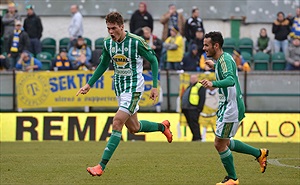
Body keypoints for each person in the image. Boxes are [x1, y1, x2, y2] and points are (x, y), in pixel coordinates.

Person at [76, 12, 173, 177]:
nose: (111, 32)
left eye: (114, 28)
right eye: (108, 28)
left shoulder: (136, 42)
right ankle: (162, 127)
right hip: (119, 88)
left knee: (117, 121)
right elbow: (103, 64)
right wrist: (89, 84)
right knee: (134, 128)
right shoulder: (108, 43)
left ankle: (101, 166)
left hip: (134, 87)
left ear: (122, 26)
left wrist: (155, 85)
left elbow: (154, 59)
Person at [200, 31, 268, 185]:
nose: (204, 48)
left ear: (216, 46)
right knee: (226, 142)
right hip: (227, 106)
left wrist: (213, 83)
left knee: (219, 144)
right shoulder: (223, 59)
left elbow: (230, 80)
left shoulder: (224, 60)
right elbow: (226, 71)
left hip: (231, 107)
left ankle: (233, 178)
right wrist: (215, 66)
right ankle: (259, 153)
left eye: (206, 45)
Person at [181, 74, 206, 141]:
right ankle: (195, 137)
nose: (192, 80)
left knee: (194, 124)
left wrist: (199, 108)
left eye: (193, 78)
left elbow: (202, 98)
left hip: (194, 108)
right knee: (190, 123)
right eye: (191, 78)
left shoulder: (199, 86)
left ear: (197, 79)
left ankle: (197, 137)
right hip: (187, 108)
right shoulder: (189, 86)